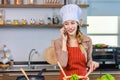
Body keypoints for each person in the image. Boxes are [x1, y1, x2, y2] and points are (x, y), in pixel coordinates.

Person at [54, 4, 99, 80]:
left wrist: (92, 63)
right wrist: (64, 41)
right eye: (66, 24)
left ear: (77, 24)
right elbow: (63, 64)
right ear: (63, 26)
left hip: (82, 78)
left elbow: (88, 61)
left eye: (72, 23)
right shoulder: (58, 42)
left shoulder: (87, 40)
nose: (70, 27)